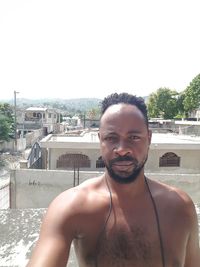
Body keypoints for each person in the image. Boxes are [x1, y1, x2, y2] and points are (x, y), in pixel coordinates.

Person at [27, 92, 200, 267]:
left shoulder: (180, 207)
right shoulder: (71, 207)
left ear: (149, 138)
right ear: (100, 140)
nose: (122, 149)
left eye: (133, 137)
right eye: (111, 138)